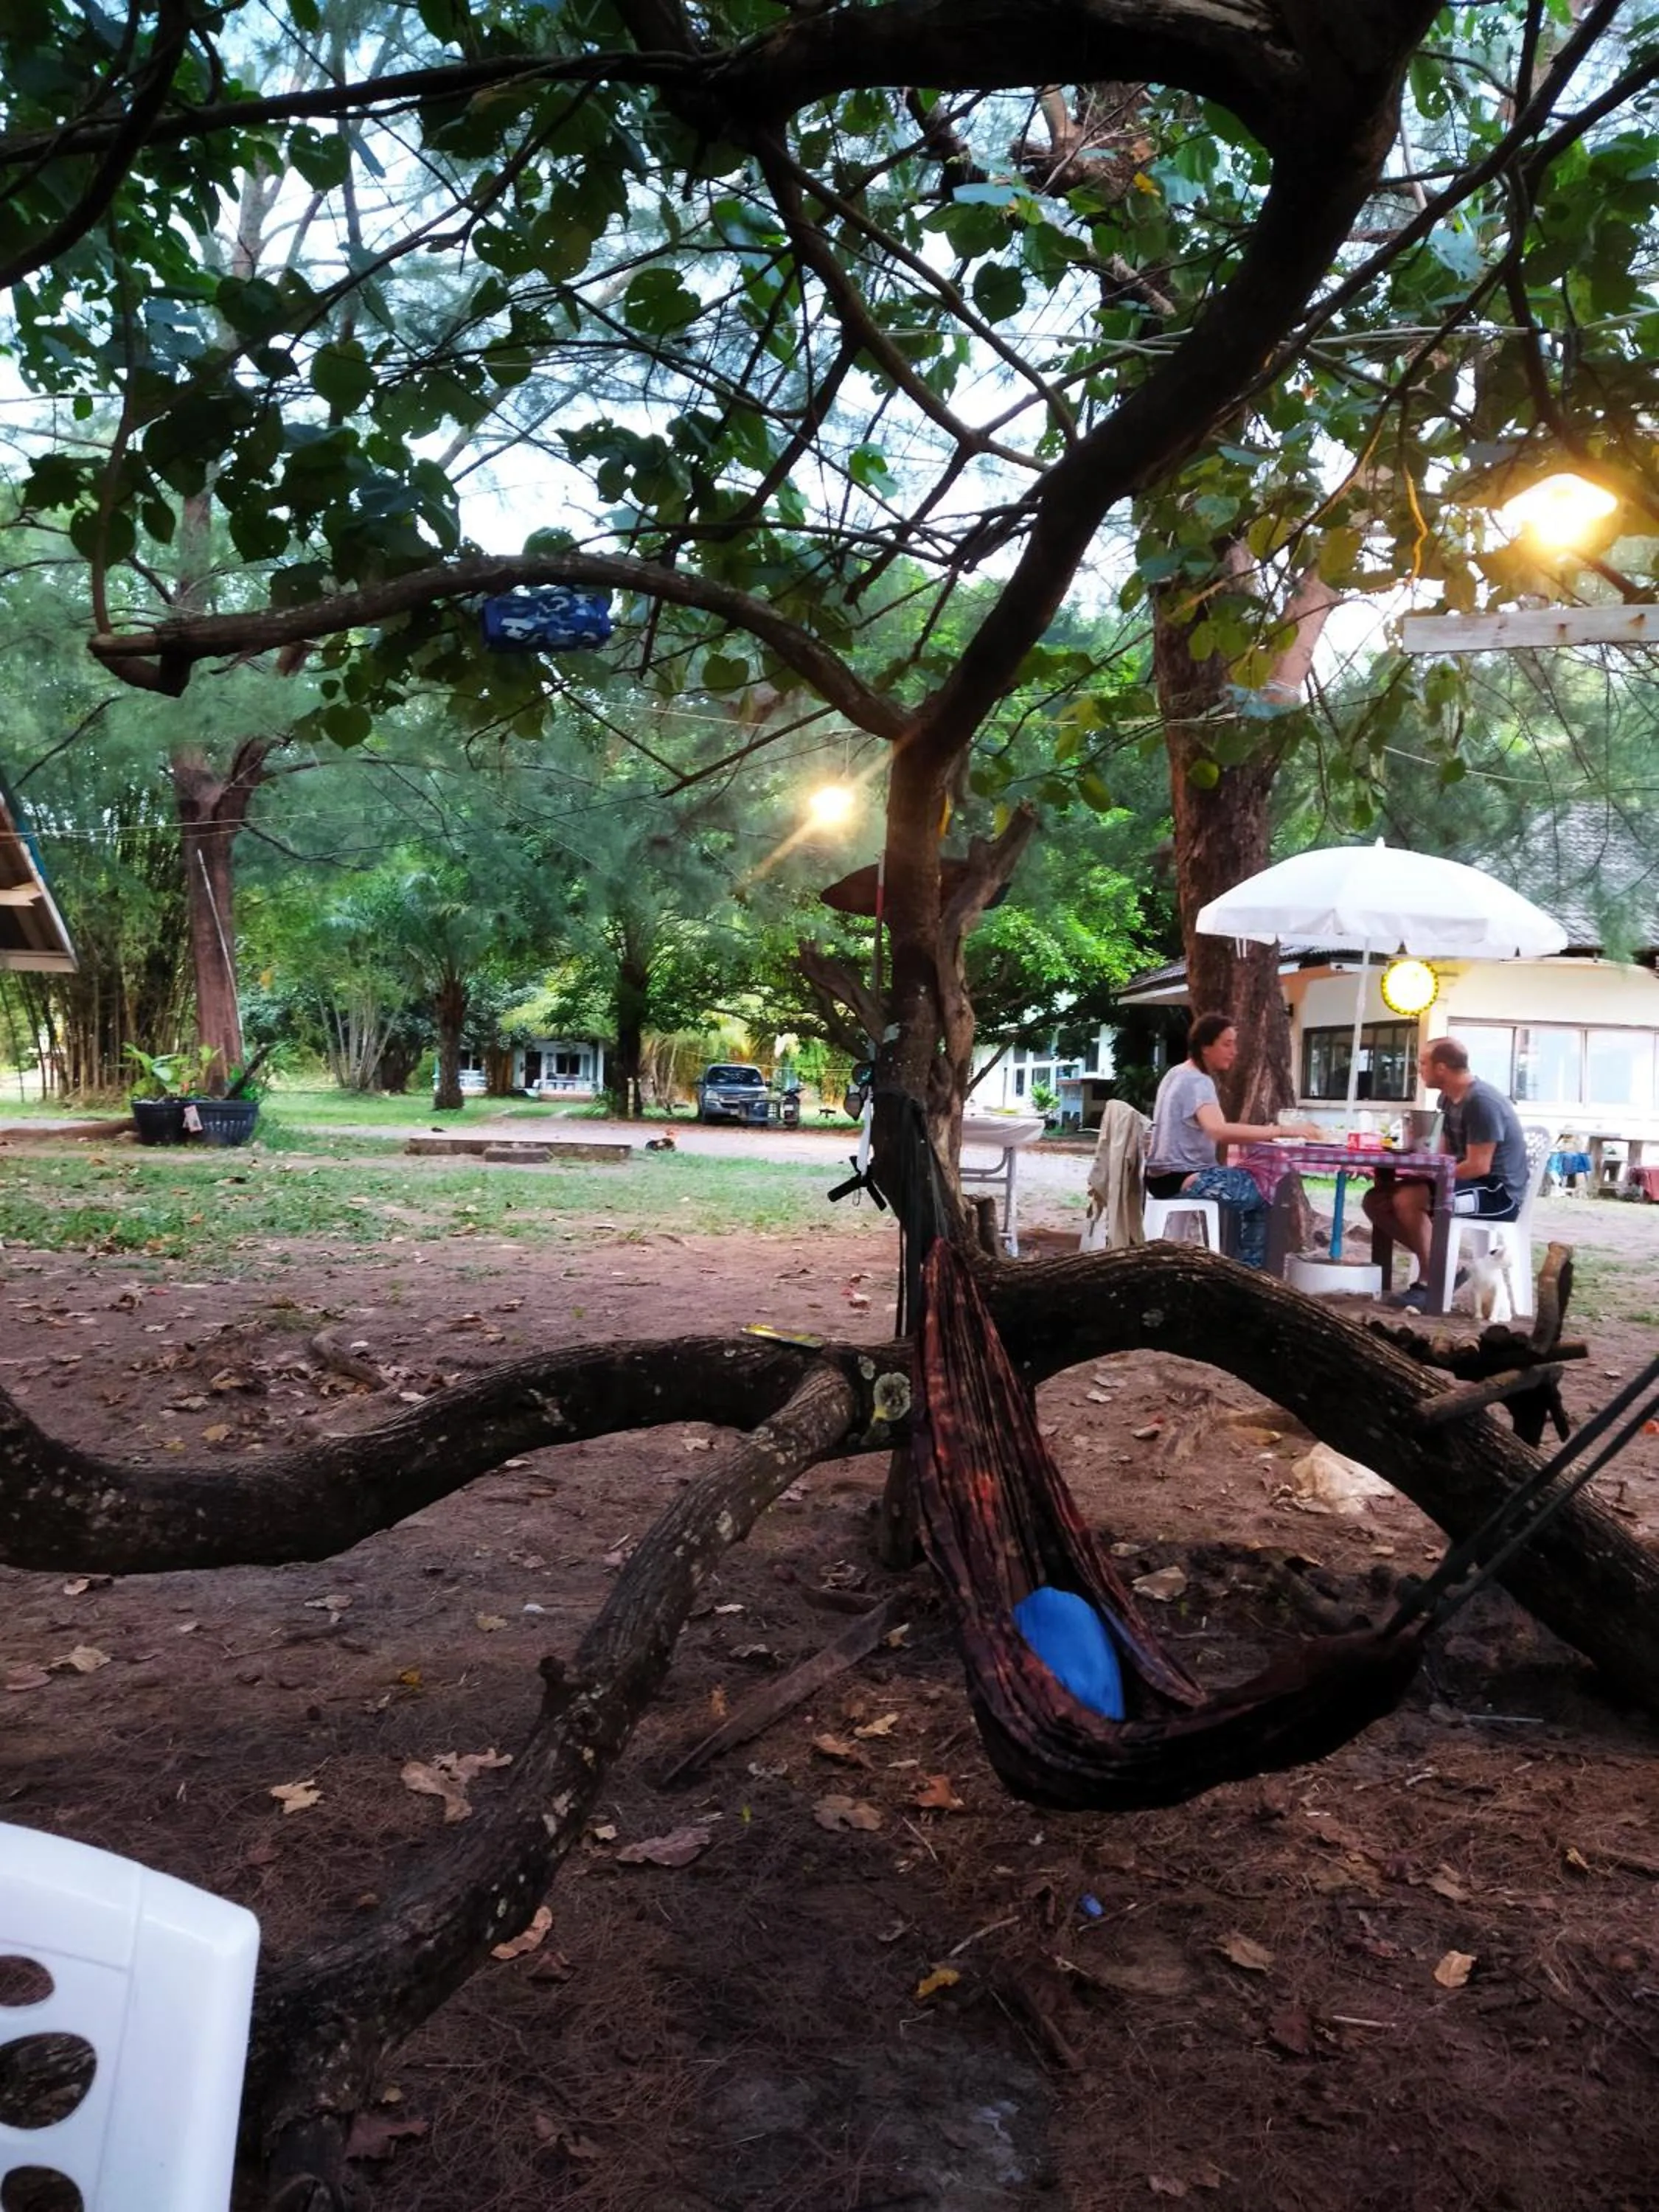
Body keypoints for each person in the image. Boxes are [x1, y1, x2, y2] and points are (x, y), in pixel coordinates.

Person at [1362, 1034, 1528, 1312]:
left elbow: (1479, 1166)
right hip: (1470, 1182)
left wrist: (1426, 1179)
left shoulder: (1481, 1103)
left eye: (1423, 1063)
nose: (1419, 1069)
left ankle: (1431, 1284)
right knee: (1376, 1200)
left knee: (1407, 1199)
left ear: (1441, 1068)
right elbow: (1444, 1156)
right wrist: (1416, 1158)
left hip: (1498, 1194)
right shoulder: (1449, 1099)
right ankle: (1445, 1270)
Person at [1145, 1013, 1323, 1267]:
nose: (1234, 1051)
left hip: (1159, 1178)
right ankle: (1250, 1273)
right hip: (1184, 1177)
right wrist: (1284, 1131)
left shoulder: (1176, 1073)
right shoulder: (1198, 1081)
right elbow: (1219, 1131)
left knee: (1247, 1187)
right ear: (1206, 1047)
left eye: (1234, 1044)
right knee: (1266, 1193)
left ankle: (1240, 1267)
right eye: (1227, 1044)